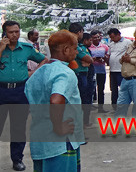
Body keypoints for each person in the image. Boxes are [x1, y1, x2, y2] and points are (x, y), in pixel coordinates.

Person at [24, 30, 83, 172]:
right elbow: (56, 100)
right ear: (66, 49)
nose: (76, 53)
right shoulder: (65, 73)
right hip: (61, 142)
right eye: (75, 49)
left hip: (40, 138)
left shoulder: (39, 72)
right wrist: (58, 127)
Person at [0, 21, 47, 171]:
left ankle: (17, 159)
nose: (14, 35)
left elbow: (44, 60)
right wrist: (1, 48)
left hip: (20, 91)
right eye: (11, 32)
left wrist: (33, 73)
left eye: (17, 31)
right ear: (4, 33)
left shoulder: (26, 48)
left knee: (18, 128)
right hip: (1, 91)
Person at [68, 24, 93, 127]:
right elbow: (89, 59)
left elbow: (88, 61)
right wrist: (88, 61)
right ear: (79, 32)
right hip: (78, 75)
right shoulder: (73, 44)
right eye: (82, 32)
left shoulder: (76, 44)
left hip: (79, 74)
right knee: (78, 102)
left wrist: (88, 61)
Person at [107, 28, 131, 109]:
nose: (112, 39)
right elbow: (109, 55)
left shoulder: (127, 42)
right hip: (112, 70)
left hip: (122, 70)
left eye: (113, 37)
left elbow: (131, 54)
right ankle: (114, 106)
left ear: (118, 35)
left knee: (123, 89)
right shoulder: (111, 44)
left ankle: (123, 105)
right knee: (113, 89)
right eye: (111, 37)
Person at [88, 31, 109, 113]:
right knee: (91, 89)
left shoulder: (105, 47)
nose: (96, 39)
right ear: (91, 38)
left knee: (101, 89)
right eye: (94, 37)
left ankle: (101, 107)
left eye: (98, 37)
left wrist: (104, 58)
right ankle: (90, 106)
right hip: (91, 71)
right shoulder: (89, 47)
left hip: (101, 70)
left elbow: (108, 59)